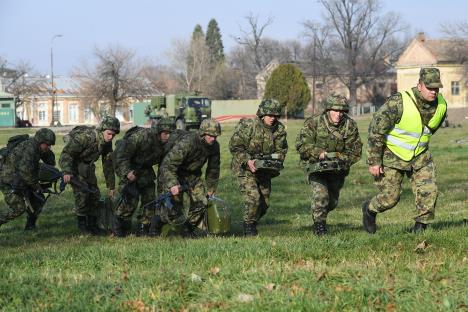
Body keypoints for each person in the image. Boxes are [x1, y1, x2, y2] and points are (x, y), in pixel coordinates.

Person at [363, 67, 447, 234]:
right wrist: (374, 161)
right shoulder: (399, 102)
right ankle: (369, 209)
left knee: (429, 191)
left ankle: (420, 228)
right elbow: (376, 130)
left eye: (436, 88)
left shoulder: (441, 106)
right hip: (392, 156)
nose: (433, 91)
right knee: (390, 199)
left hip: (420, 156)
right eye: (429, 87)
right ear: (419, 85)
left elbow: (428, 132)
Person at [296, 95, 362, 235]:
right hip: (316, 168)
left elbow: (355, 152)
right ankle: (319, 227)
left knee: (331, 202)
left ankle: (320, 212)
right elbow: (301, 145)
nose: (338, 114)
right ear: (328, 110)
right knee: (321, 196)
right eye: (335, 110)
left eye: (342, 111)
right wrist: (318, 152)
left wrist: (340, 159)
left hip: (337, 170)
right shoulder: (313, 122)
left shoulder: (350, 126)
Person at [229, 99, 288, 236]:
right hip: (244, 167)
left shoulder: (279, 130)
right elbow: (235, 146)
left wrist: (274, 162)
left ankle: (252, 221)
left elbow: (281, 151)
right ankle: (248, 227)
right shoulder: (249, 125)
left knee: (265, 203)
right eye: (269, 115)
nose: (273, 118)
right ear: (262, 114)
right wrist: (248, 160)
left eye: (275, 116)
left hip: (264, 170)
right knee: (254, 198)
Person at [112, 117, 175, 237]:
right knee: (130, 199)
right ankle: (119, 226)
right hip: (128, 166)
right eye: (165, 133)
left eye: (170, 134)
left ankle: (143, 227)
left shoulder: (167, 144)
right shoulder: (142, 136)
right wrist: (127, 173)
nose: (168, 136)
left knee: (150, 198)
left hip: (144, 169)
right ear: (159, 132)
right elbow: (121, 155)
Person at [158, 118, 221, 237]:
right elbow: (167, 165)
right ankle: (156, 226)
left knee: (201, 202)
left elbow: (213, 168)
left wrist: (211, 187)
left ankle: (187, 229)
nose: (213, 139)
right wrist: (173, 184)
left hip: (192, 176)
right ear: (203, 133)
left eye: (216, 136)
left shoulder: (214, 146)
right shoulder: (188, 143)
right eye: (210, 136)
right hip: (172, 173)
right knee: (172, 207)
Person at [59, 116, 120, 235]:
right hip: (74, 167)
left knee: (94, 195)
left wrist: (111, 186)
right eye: (109, 133)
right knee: (82, 195)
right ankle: (82, 227)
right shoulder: (85, 138)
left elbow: (108, 164)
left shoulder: (107, 144)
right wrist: (66, 171)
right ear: (102, 130)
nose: (111, 137)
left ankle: (93, 226)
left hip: (88, 168)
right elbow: (67, 154)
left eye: (113, 135)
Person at [0, 128, 56, 230]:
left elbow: (50, 163)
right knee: (18, 208)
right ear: (40, 141)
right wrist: (37, 186)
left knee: (38, 201)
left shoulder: (39, 148)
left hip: (21, 179)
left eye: (50, 145)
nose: (49, 147)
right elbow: (25, 171)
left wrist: (48, 154)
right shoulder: (29, 149)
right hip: (7, 180)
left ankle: (30, 225)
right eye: (47, 144)